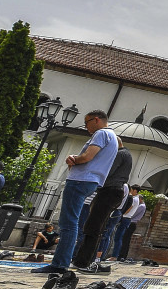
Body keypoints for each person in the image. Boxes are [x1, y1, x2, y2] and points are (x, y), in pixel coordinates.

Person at [36, 110, 118, 274]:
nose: (86, 127)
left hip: (81, 180)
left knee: (68, 224)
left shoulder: (101, 133)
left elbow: (87, 157)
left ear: (96, 120)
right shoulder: (114, 138)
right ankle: (61, 262)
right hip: (92, 181)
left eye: (87, 122)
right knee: (72, 223)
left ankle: (59, 264)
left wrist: (73, 158)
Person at [73, 144, 131, 272]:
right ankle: (85, 260)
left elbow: (107, 172)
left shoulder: (119, 154)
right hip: (110, 192)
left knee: (94, 228)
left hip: (109, 192)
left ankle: (85, 262)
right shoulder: (125, 154)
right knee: (95, 228)